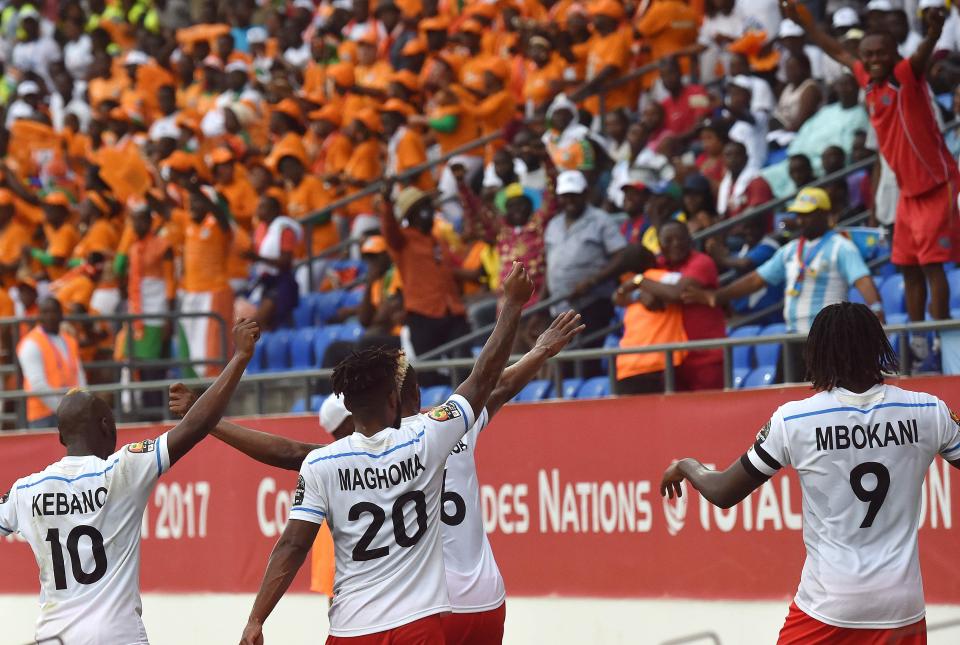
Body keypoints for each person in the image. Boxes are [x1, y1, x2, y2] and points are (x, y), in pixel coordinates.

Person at [173, 310, 584, 645]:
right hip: (472, 603)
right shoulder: (441, 431)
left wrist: (207, 421)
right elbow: (493, 383)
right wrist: (539, 347)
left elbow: (290, 462)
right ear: (413, 397)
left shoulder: (331, 460)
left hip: (381, 616)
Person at [237, 263, 535, 644]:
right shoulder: (429, 439)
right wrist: (510, 305)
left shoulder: (322, 462)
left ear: (349, 406)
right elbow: (485, 379)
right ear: (394, 400)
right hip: (418, 625)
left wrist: (256, 619)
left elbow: (292, 544)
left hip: (351, 629)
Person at [659, 302, 960, 644]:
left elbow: (723, 492)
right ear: (878, 344)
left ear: (818, 351)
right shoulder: (927, 411)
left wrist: (686, 465)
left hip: (828, 605)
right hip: (902, 606)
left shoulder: (796, 420)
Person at [0, 319, 260, 645]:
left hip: (54, 636)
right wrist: (239, 358)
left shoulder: (26, 490)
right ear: (107, 426)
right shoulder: (123, 470)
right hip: (117, 636)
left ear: (61, 435)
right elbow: (195, 427)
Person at [784, 0, 960, 370]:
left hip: (936, 184)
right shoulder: (867, 77)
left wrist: (932, 31)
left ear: (894, 53)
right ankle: (917, 338)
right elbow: (834, 49)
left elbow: (923, 54)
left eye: (881, 52)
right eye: (869, 54)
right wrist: (804, 22)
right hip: (907, 193)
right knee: (906, 267)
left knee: (933, 267)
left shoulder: (904, 75)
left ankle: (944, 336)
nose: (874, 59)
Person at [684, 187, 883, 380]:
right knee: (790, 395)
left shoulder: (841, 246)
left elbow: (862, 279)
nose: (801, 220)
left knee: (828, 394)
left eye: (808, 214)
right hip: (794, 337)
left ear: (826, 214)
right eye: (799, 214)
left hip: (829, 337)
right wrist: (718, 296)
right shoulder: (790, 249)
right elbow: (756, 279)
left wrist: (877, 309)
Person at [624, 221, 726, 391]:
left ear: (689, 240)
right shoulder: (659, 265)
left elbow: (677, 293)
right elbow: (619, 296)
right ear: (660, 245)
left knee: (710, 413)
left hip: (705, 356)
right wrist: (639, 295)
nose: (675, 244)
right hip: (674, 361)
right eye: (668, 240)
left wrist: (641, 281)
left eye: (680, 239)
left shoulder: (702, 262)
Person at [380, 185, 469, 359]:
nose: (428, 210)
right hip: (422, 315)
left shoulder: (437, 240)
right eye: (422, 207)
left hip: (452, 311)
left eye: (428, 205)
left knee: (464, 366)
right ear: (412, 214)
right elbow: (389, 228)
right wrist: (386, 203)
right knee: (430, 374)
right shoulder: (402, 240)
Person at [545, 170, 627, 354]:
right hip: (560, 306)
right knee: (567, 363)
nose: (570, 201)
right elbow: (549, 265)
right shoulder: (554, 224)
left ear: (585, 194)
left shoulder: (600, 220)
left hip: (593, 303)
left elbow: (622, 255)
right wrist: (541, 305)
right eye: (565, 196)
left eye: (574, 195)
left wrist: (593, 281)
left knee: (589, 359)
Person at [16, 297, 86, 429]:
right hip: (43, 416)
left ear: (61, 315)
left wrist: (82, 404)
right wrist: (64, 410)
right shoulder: (30, 344)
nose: (50, 316)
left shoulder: (69, 340)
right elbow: (37, 385)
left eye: (54, 311)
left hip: (72, 413)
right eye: (45, 312)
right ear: (39, 315)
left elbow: (79, 374)